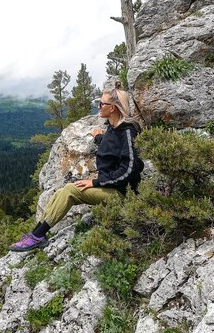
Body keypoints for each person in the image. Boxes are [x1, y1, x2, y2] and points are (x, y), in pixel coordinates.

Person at [9, 82, 144, 252]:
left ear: (113, 108)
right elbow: (112, 146)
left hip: (123, 194)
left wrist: (96, 182)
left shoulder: (128, 131)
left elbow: (130, 169)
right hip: (111, 187)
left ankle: (36, 237)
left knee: (70, 191)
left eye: (102, 104)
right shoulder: (112, 128)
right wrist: (99, 137)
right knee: (60, 192)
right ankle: (36, 233)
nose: (99, 106)